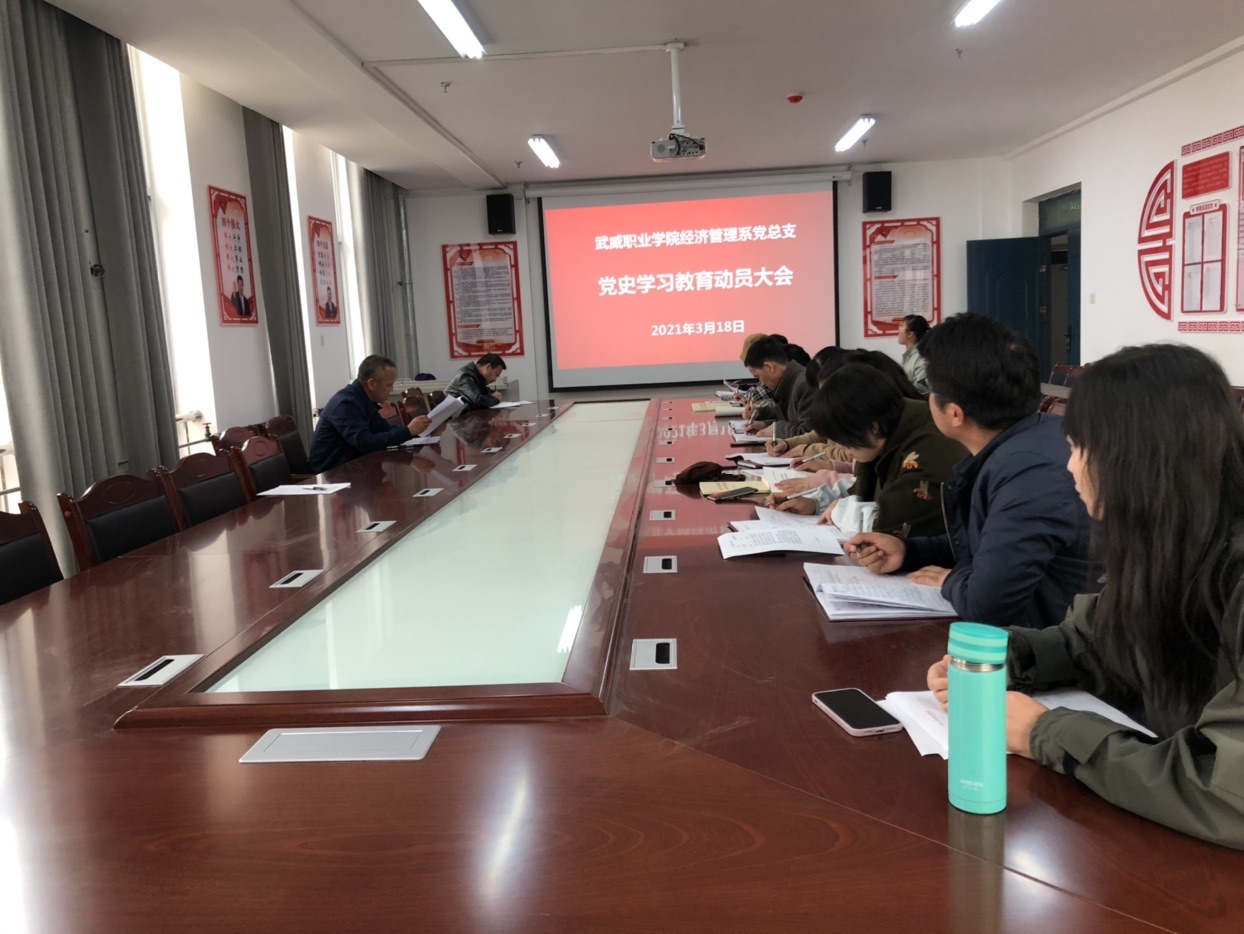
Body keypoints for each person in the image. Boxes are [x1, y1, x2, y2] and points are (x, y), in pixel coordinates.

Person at [928, 344, 1244, 849]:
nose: (1070, 468)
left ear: (1138, 458)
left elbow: (1226, 792)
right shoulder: (1171, 540)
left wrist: (1043, 732)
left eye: (1080, 448)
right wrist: (1002, 662)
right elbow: (1093, 640)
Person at [849, 313, 1093, 629]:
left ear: (954, 414)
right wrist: (910, 552)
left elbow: (987, 605)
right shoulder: (1028, 439)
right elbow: (990, 544)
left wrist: (953, 579)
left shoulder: (1030, 473)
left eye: (930, 390)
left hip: (1051, 642)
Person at [774, 364, 966, 537]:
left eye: (846, 441)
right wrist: (816, 503)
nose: (844, 450)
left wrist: (839, 511)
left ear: (872, 427)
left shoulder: (927, 449)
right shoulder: (891, 431)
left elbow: (888, 524)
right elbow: (861, 490)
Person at [307, 355, 431, 473]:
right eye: (389, 385)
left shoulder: (364, 400)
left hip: (355, 469)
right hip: (330, 475)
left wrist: (416, 434)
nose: (392, 390)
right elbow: (365, 443)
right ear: (371, 384)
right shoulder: (345, 404)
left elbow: (385, 430)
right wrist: (408, 431)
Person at [741, 337, 812, 439]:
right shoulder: (791, 382)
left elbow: (809, 433)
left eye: (758, 377)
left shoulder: (804, 384)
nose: (761, 384)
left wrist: (775, 429)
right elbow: (788, 419)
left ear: (770, 367)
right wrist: (764, 423)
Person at [898, 314, 929, 391]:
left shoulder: (921, 357)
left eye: (902, 326)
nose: (898, 328)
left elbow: (922, 389)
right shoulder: (909, 356)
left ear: (910, 334)